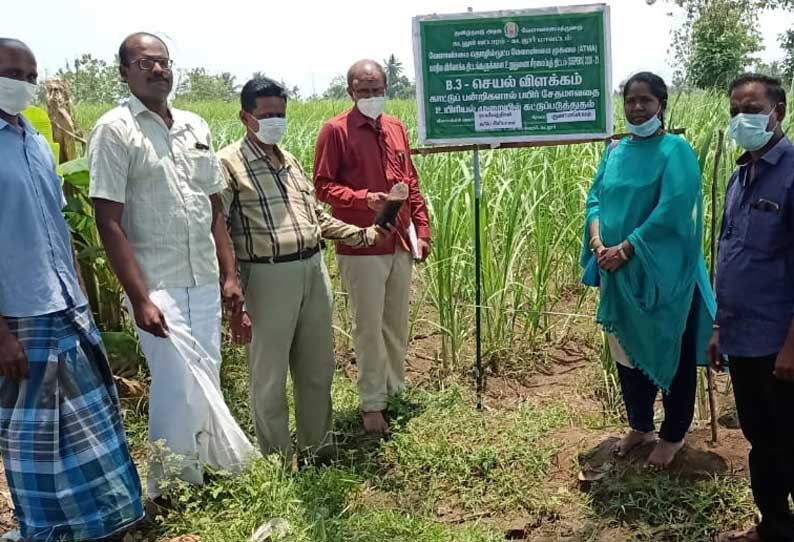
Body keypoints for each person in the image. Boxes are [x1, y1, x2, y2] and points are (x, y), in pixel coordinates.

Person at [87, 32, 256, 500]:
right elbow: (108, 218)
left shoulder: (194, 126)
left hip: (202, 276)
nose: (158, 70)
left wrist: (229, 276)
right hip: (156, 281)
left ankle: (205, 467)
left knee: (207, 373)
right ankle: (171, 486)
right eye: (145, 63)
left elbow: (213, 206)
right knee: (176, 380)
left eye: (163, 62)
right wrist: (140, 298)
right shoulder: (114, 129)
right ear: (124, 72)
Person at [0, 38, 143, 540]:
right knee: (36, 436)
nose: (22, 83)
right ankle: (49, 529)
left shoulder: (36, 143)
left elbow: (59, 230)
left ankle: (103, 522)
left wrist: (82, 299)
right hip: (19, 315)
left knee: (91, 424)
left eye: (29, 75)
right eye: (11, 72)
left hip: (67, 307)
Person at [217, 77, 387, 461]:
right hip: (266, 274)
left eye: (280, 113)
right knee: (270, 374)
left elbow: (316, 219)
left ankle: (318, 450)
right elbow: (218, 228)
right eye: (267, 115)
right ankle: (277, 459)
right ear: (246, 117)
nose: (275, 120)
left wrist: (362, 235)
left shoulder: (289, 160)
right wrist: (230, 284)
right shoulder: (229, 164)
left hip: (312, 268)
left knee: (317, 368)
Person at [581, 72, 716, 468]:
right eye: (630, 101)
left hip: (664, 276)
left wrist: (628, 247)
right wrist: (598, 243)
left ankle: (673, 435)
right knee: (626, 354)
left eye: (646, 100)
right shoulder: (615, 151)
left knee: (670, 350)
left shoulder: (676, 150)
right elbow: (595, 200)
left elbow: (674, 208)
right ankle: (641, 425)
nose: (637, 108)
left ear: (662, 104)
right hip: (616, 272)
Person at [313, 59, 431, 434]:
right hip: (361, 245)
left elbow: (409, 181)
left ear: (386, 89)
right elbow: (322, 186)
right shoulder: (335, 131)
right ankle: (372, 403)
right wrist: (365, 199)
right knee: (367, 327)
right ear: (350, 92)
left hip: (399, 240)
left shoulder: (395, 127)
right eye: (363, 90)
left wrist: (422, 230)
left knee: (395, 323)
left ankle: (394, 389)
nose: (370, 96)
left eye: (376, 89)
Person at [710, 74, 794, 542]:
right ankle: (775, 528)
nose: (743, 117)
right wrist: (720, 327)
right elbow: (732, 255)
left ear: (777, 111)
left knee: (790, 441)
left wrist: (791, 344)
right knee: (761, 440)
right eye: (735, 109)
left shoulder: (793, 173)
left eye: (753, 106)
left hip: (780, 342)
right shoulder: (740, 176)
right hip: (743, 337)